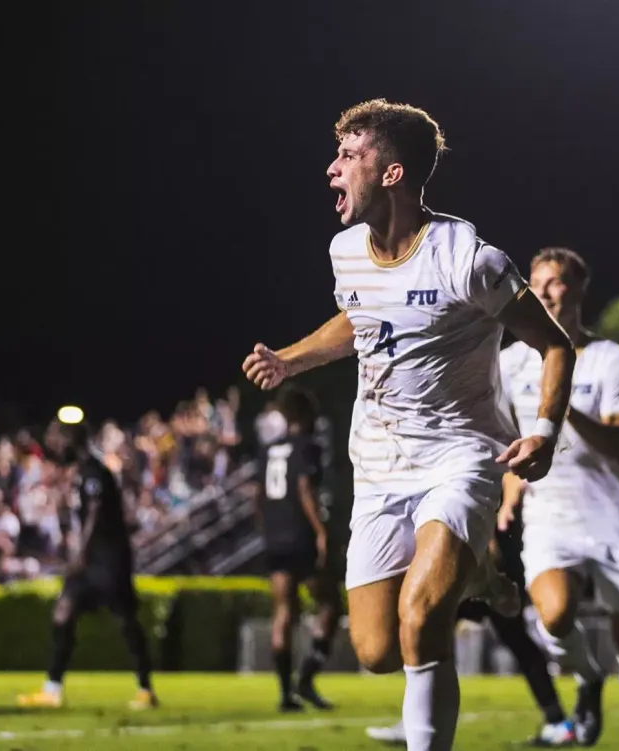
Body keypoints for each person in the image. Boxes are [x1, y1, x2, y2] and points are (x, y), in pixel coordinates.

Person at [242, 99, 576, 751]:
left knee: (421, 620)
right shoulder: (346, 253)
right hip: (379, 466)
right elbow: (358, 318)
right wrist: (290, 360)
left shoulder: (469, 259)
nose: (331, 167)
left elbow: (555, 343)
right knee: (374, 649)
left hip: (462, 458)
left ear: (392, 173)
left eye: (348, 154)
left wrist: (544, 429)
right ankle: (478, 574)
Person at [497, 247, 619, 750]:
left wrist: (562, 405)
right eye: (538, 281)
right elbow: (508, 442)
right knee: (553, 617)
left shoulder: (610, 358)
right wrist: (507, 498)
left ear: (579, 290)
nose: (545, 289)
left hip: (610, 515)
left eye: (557, 281)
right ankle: (588, 677)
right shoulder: (508, 364)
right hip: (550, 514)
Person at [365, 504, 572, 747]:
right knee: (430, 632)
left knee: (513, 639)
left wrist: (489, 543)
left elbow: (486, 495)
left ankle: (557, 719)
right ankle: (418, 718)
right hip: (468, 553)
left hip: (484, 559)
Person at [17, 417, 158, 710]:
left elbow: (94, 512)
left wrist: (80, 550)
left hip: (108, 558)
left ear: (73, 440)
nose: (55, 445)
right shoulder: (81, 471)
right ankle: (52, 689)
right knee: (63, 612)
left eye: (60, 438)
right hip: (91, 558)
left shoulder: (94, 470)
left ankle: (146, 688)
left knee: (126, 622)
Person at [255, 386, 343, 712]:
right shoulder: (308, 447)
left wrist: (267, 527)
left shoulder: (269, 449)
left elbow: (258, 496)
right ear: (304, 415)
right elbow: (305, 488)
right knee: (330, 604)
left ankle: (284, 694)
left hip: (275, 536)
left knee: (283, 613)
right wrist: (320, 532)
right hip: (301, 535)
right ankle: (306, 677)